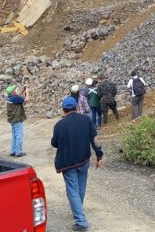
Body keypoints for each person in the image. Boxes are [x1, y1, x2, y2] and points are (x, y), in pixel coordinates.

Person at [51, 96, 104, 231]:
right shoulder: (86, 120)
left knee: (73, 190)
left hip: (68, 163)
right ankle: (78, 210)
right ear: (76, 107)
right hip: (83, 160)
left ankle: (81, 221)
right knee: (80, 188)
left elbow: (54, 143)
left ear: (64, 110)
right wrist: (99, 155)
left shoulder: (59, 125)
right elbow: (95, 140)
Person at [6, 84, 28, 157]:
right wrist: (27, 91)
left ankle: (13, 151)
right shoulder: (15, 99)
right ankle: (18, 152)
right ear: (12, 92)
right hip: (17, 119)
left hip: (12, 119)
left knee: (14, 136)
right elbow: (27, 100)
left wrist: (23, 89)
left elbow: (17, 96)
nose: (16, 89)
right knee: (19, 136)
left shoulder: (9, 98)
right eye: (14, 89)